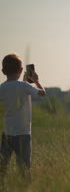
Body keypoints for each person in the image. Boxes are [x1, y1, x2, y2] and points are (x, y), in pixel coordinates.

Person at [0, 54, 46, 182]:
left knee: (2, 166)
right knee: (24, 168)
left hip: (7, 133)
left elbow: (14, 91)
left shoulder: (2, 87)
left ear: (3, 71)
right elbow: (42, 93)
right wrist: (36, 80)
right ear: (21, 71)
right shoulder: (24, 86)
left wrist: (25, 82)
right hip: (23, 133)